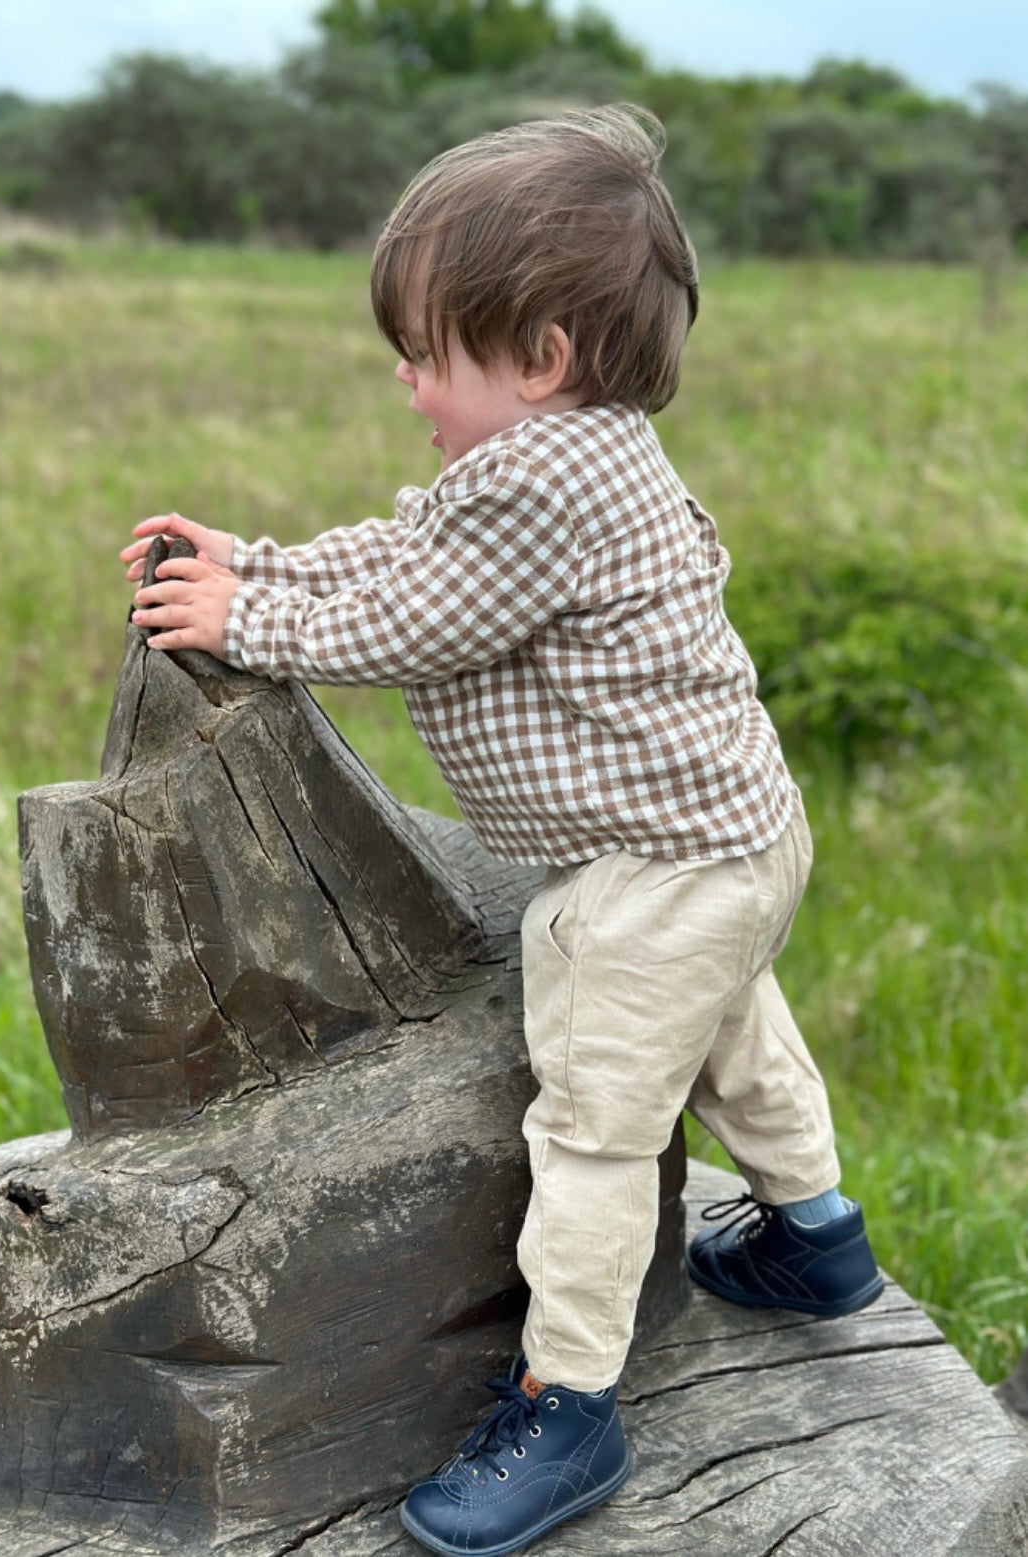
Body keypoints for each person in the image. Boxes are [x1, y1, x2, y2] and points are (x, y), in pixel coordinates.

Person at [120, 105, 883, 1557]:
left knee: (594, 1121)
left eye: (424, 352)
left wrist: (251, 618)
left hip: (652, 871)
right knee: (734, 1034)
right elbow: (413, 545)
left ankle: (568, 1398)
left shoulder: (544, 478)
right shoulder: (575, 457)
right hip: (730, 834)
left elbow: (418, 614)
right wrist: (259, 557)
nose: (403, 380)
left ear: (539, 357)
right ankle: (814, 1236)